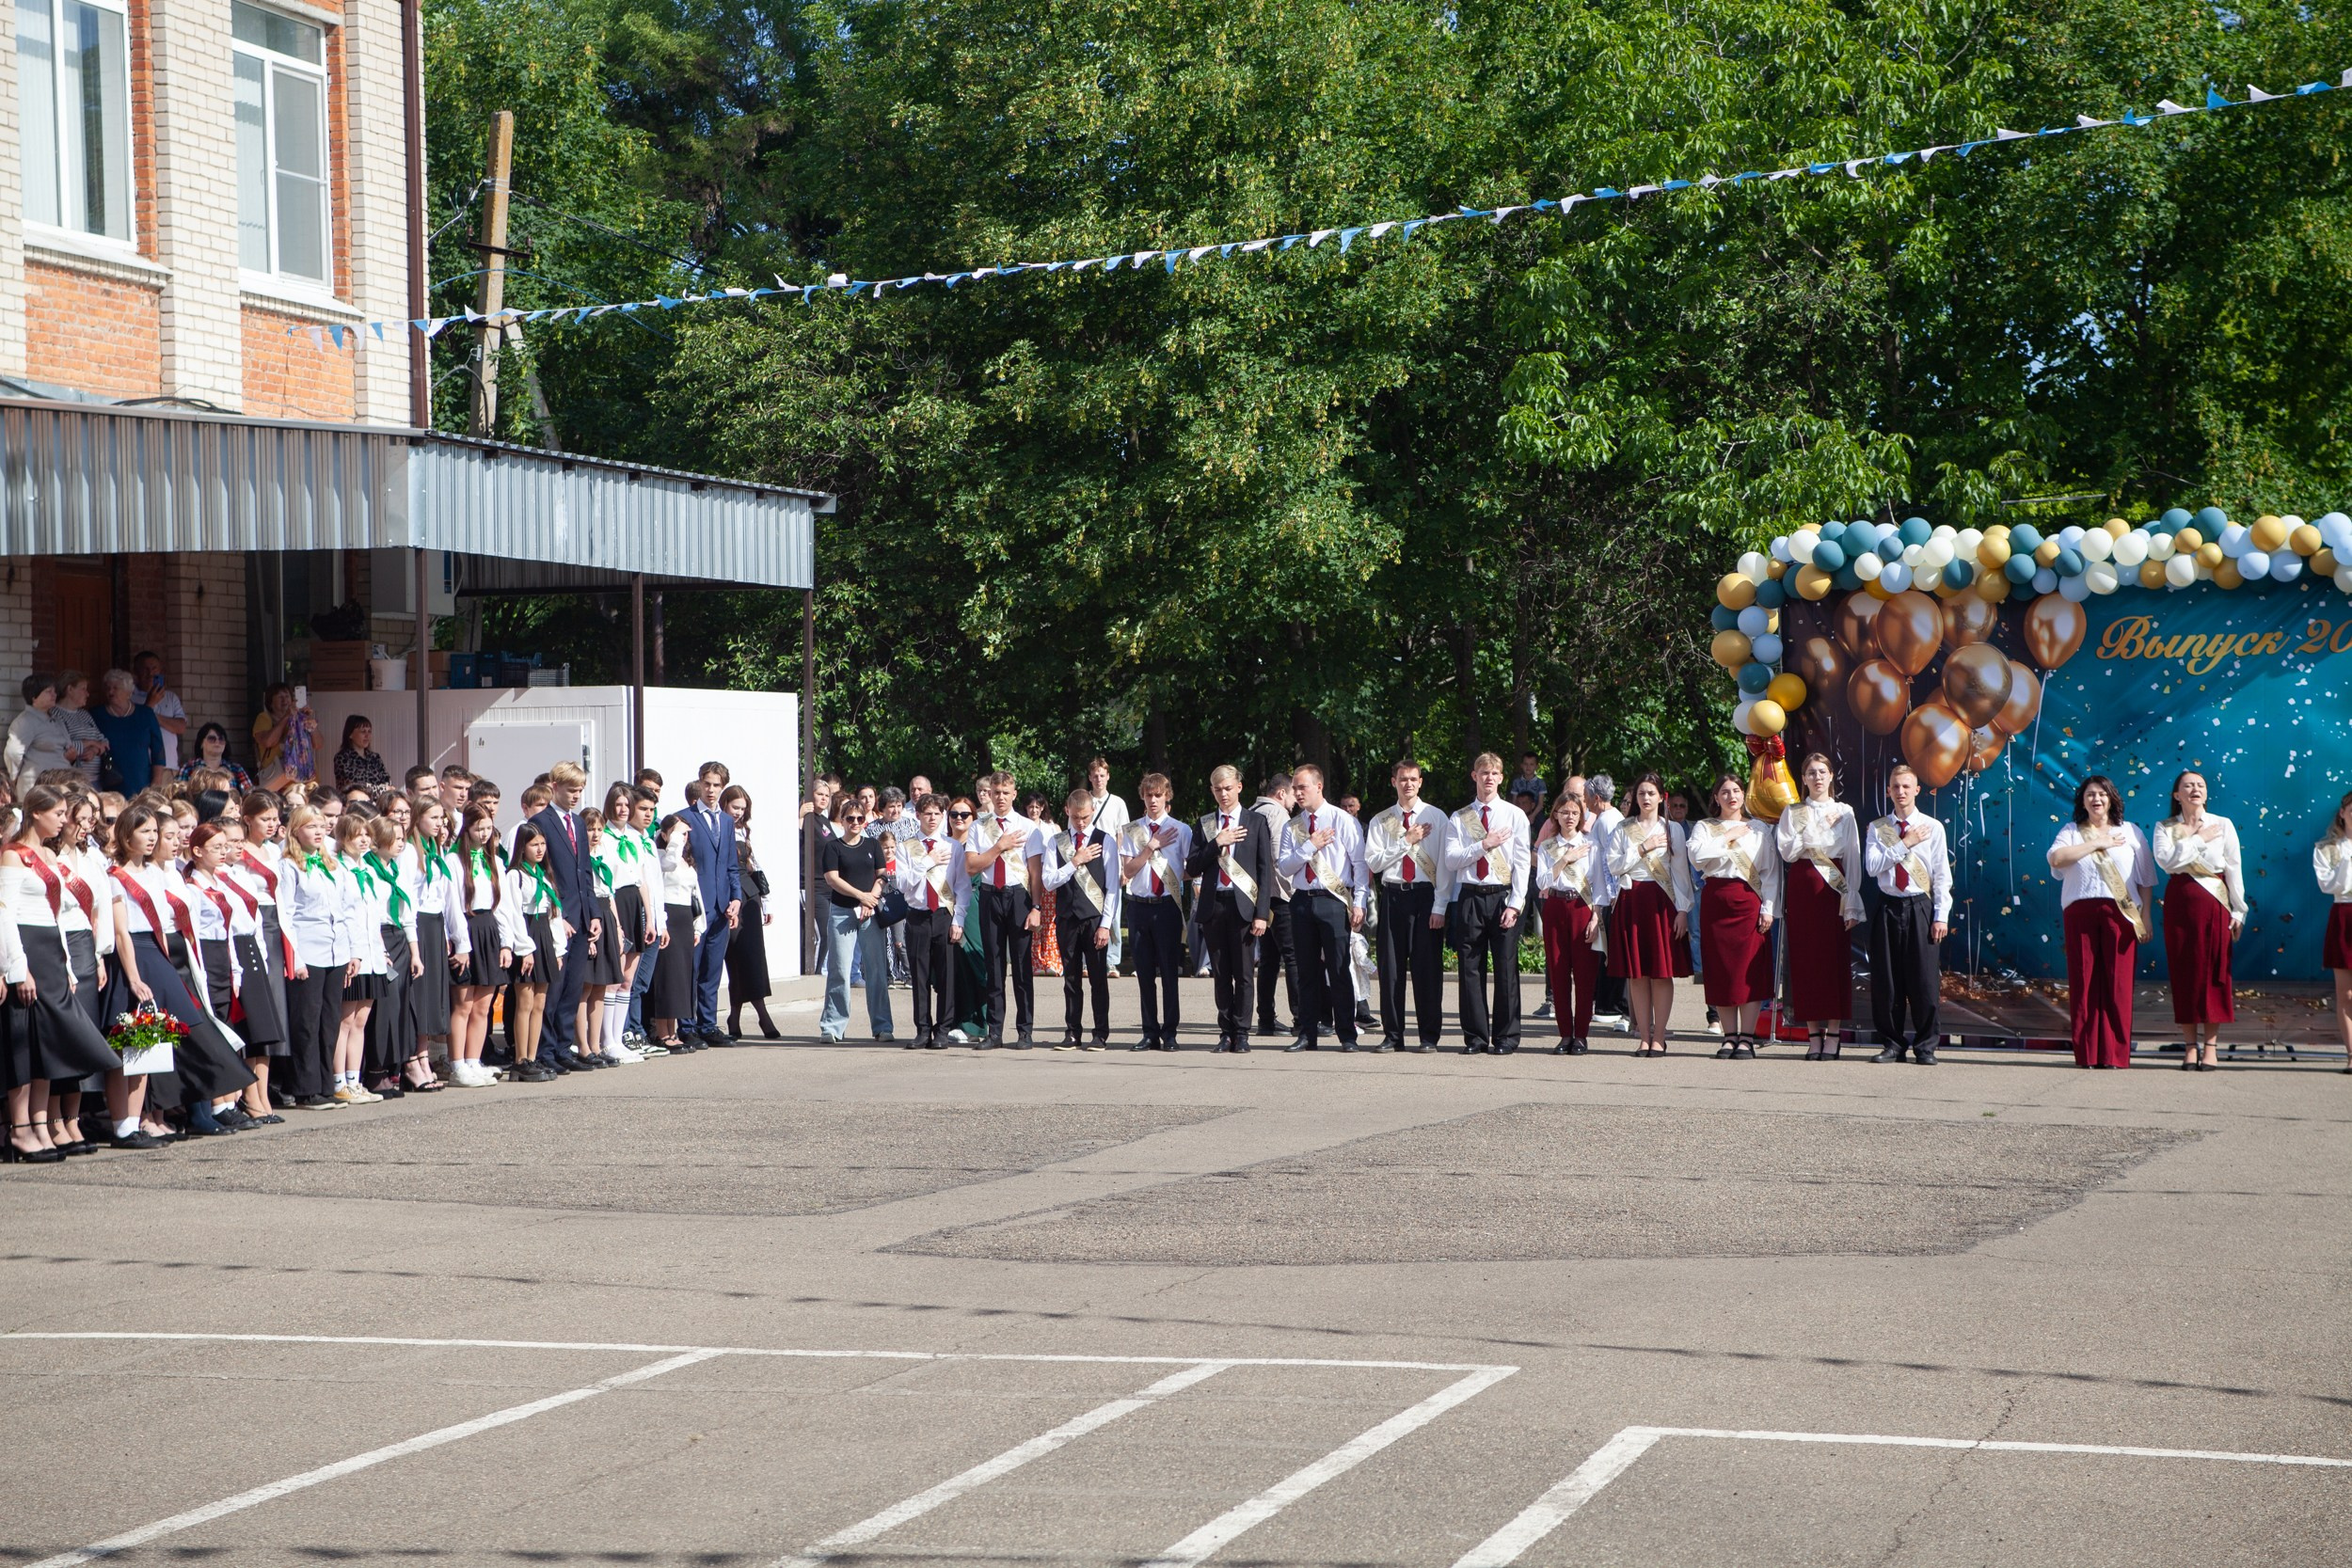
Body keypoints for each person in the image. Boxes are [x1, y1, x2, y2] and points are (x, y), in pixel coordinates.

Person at [2046, 773, 2153, 1069]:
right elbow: (2056, 859)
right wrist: (2098, 843)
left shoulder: (2131, 832)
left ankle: (2115, 1055)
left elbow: (2146, 878)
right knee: (2084, 983)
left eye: (2102, 794)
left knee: (2117, 984)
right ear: (2083, 800)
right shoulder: (2071, 831)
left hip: (2122, 913)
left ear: (2111, 799)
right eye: (2091, 794)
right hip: (2080, 912)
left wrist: (2146, 917)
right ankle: (2088, 1054)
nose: (2097, 799)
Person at [1685, 772, 1782, 1060]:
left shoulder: (1759, 829)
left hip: (1748, 902)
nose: (1731, 796)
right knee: (1722, 971)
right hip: (1716, 903)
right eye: (1725, 791)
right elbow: (1697, 857)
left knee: (1748, 972)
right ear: (1716, 797)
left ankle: (1748, 1038)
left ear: (1744, 795)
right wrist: (1727, 837)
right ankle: (1729, 1036)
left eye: (1736, 790)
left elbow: (1770, 872)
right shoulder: (1705, 827)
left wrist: (1768, 908)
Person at [2153, 770, 2245, 1071]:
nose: (2195, 789)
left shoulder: (2223, 824)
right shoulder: (2165, 827)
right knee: (2185, 972)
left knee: (2215, 972)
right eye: (2188, 786)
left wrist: (2238, 910)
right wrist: (2197, 838)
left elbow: (2233, 868)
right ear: (2176, 795)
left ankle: (2211, 1047)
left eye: (2201, 785)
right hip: (2181, 902)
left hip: (2216, 902)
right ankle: (2190, 1046)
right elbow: (2168, 862)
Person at [1773, 753, 1864, 1059]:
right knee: (1806, 961)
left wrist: (1851, 901)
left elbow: (1852, 856)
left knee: (1833, 960)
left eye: (1822, 772)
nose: (1817, 777)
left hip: (1834, 890)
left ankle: (1834, 1035)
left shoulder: (1844, 812)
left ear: (1831, 775)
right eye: (1811, 772)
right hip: (1803, 888)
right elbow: (1787, 851)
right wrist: (1816, 830)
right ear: (1804, 778)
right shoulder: (1794, 811)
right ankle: (1813, 1034)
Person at [1862, 765, 1951, 1065]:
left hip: (1920, 906)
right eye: (1895, 786)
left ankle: (1926, 1047)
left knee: (1924, 981)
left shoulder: (1933, 827)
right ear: (1888, 790)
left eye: (1906, 786)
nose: (1900, 792)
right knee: (1887, 980)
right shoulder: (1878, 828)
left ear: (1916, 790)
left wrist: (1941, 915)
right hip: (1888, 906)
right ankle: (1892, 1044)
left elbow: (1941, 875)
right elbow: (1873, 867)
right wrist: (1904, 843)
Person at [1445, 752, 1533, 1055]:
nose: (1489, 778)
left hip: (1503, 897)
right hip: (1470, 895)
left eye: (1494, 773)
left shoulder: (1514, 815)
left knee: (1506, 969)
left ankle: (1506, 1037)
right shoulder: (1459, 817)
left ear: (1501, 777)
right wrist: (1484, 844)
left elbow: (1522, 863)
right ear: (1474, 776)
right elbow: (1451, 859)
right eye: (1484, 773)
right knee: (1470, 969)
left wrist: (1517, 903)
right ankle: (1476, 1038)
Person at [1277, 763, 1366, 1053]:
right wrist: (1310, 846)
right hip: (1302, 900)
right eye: (1294, 788)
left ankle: (1347, 1034)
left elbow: (1360, 864)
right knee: (1306, 971)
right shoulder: (1293, 826)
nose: (1297, 793)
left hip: (1333, 900)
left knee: (1339, 969)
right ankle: (1307, 1033)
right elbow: (1285, 866)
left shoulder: (1343, 820)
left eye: (1302, 787)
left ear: (1318, 786)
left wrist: (1360, 902)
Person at [1601, 773, 1691, 1056]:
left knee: (1662, 973)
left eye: (1651, 793)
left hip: (1662, 902)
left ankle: (1660, 1036)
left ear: (1661, 796)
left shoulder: (1673, 829)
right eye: (1641, 793)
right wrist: (1643, 847)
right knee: (1637, 973)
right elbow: (1614, 865)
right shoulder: (1623, 828)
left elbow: (1681, 874)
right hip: (1632, 900)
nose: (1646, 798)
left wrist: (1683, 910)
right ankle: (1642, 1034)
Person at [1185, 766, 1273, 1053]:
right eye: (1217, 789)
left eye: (1227, 788)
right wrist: (1216, 844)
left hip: (1244, 908)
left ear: (1239, 787)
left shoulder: (1256, 821)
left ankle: (1243, 1032)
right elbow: (1192, 866)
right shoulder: (1206, 824)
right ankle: (1225, 1032)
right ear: (1212, 791)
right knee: (1221, 973)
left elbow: (1264, 870)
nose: (1223, 794)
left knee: (1245, 973)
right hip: (1214, 906)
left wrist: (1262, 913)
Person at [1364, 760, 1448, 1053]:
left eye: (1413, 779)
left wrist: (1440, 906)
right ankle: (1393, 1035)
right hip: (1394, 895)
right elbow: (1373, 862)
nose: (1408, 784)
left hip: (1425, 897)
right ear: (1393, 782)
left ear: (1420, 782)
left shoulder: (1436, 817)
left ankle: (1428, 1036)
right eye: (1402, 779)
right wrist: (1406, 841)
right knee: (1391, 970)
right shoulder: (1381, 820)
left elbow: (1445, 868)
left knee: (1427, 970)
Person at [274, 804, 354, 1108]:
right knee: (306, 1021)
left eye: (322, 826)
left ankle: (324, 1083)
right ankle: (304, 1087)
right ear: (295, 831)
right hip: (308, 951)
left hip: (335, 951)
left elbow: (346, 909)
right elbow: (287, 915)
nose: (319, 832)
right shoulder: (290, 866)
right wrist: (295, 956)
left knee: (329, 1020)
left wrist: (350, 952)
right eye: (311, 827)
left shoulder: (332, 864)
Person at [529, 762, 603, 1070]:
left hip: (582, 915)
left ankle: (563, 1048)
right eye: (571, 790)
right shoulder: (540, 822)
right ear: (555, 786)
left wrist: (594, 913)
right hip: (558, 916)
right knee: (554, 988)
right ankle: (544, 1052)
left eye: (580, 791)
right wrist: (556, 914)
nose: (576, 796)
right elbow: (540, 873)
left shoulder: (577, 824)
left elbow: (585, 871)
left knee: (573, 986)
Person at [967, 770, 1045, 1049]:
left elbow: (1035, 873)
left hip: (1019, 898)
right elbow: (972, 866)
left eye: (1005, 792)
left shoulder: (1028, 827)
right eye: (995, 792)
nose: (1000, 797)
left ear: (1014, 794)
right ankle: (995, 1032)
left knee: (1022, 967)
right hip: (990, 897)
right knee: (994, 966)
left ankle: (1025, 1031)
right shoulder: (979, 827)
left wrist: (1036, 907)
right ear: (990, 793)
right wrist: (1000, 846)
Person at [1117, 774, 1191, 1052]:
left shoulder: (1181, 830)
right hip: (1139, 906)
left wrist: (1171, 877)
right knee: (1145, 974)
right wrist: (1150, 847)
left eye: (1158, 795)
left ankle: (1170, 1032)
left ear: (1167, 796)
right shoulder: (1133, 830)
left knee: (1170, 973)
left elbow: (1189, 870)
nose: (1153, 800)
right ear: (1143, 797)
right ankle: (1150, 1031)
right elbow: (1128, 871)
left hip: (1167, 907)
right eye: (1148, 795)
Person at [1034, 788, 1112, 1050]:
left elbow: (1112, 887)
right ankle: (1072, 1032)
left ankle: (1100, 1033)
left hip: (1094, 919)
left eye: (1086, 817)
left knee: (1098, 979)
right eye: (1076, 817)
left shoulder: (1105, 840)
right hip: (1067, 918)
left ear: (1092, 813)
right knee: (1071, 979)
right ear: (1067, 811)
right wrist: (1075, 861)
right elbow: (1048, 880)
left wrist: (1106, 924)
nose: (1081, 822)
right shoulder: (1056, 842)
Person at [817, 793, 893, 1042]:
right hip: (842, 913)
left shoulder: (872, 845)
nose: (856, 822)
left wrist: (871, 897)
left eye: (860, 818)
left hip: (870, 912)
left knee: (876, 969)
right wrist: (862, 895)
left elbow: (883, 874)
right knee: (839, 970)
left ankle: (882, 1027)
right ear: (843, 819)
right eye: (850, 818)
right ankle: (832, 1027)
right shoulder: (833, 847)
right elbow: (832, 878)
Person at [897, 793, 969, 1051]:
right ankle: (922, 1029)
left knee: (946, 975)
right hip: (917, 915)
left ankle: (943, 1029)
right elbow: (903, 883)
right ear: (917, 815)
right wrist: (928, 861)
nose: (932, 818)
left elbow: (962, 886)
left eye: (937, 814)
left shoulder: (953, 847)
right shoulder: (906, 846)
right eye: (927, 813)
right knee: (919, 975)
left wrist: (958, 919)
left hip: (944, 915)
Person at [1535, 792, 1606, 1053]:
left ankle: (1582, 1035)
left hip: (1582, 908)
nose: (1569, 817)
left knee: (1585, 975)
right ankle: (1565, 1034)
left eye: (1575, 812)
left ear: (1581, 816)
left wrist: (1596, 917)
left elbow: (1600, 885)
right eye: (1564, 812)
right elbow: (1543, 882)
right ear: (1555, 814)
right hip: (1555, 906)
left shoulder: (1592, 846)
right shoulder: (1547, 847)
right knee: (1558, 972)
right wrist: (1565, 859)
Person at [448, 804, 513, 1086]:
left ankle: (474, 1061)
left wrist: (506, 943)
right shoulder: (454, 861)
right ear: (467, 829)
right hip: (466, 928)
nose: (484, 834)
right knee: (463, 1004)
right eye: (478, 829)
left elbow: (504, 906)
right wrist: (461, 943)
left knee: (483, 1006)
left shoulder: (495, 861)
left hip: (489, 930)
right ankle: (457, 1064)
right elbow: (452, 905)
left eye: (488, 828)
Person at [681, 763, 744, 1047]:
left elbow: (732, 865)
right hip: (695, 906)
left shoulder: (728, 822)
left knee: (712, 969)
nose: (711, 789)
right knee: (691, 968)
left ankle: (708, 1024)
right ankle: (686, 1025)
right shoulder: (685, 819)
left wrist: (736, 899)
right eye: (707, 783)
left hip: (721, 907)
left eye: (716, 785)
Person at [573, 809, 635, 1066]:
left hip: (606, 915)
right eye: (590, 829)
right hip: (589, 916)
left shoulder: (604, 853)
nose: (595, 834)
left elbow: (610, 894)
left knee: (601, 984)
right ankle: (583, 1045)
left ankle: (597, 1045)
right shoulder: (579, 856)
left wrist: (619, 929)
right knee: (585, 987)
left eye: (598, 829)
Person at [721, 784, 779, 1039]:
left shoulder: (743, 830)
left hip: (750, 895)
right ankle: (738, 1015)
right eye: (735, 807)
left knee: (754, 958)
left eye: (743, 809)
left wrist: (766, 902)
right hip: (727, 897)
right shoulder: (718, 828)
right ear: (725, 804)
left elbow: (755, 866)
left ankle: (758, 1014)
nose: (739, 813)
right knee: (735, 958)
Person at [501, 822, 560, 1078]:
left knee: (540, 1002)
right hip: (526, 934)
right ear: (522, 847)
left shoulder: (543, 875)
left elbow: (552, 913)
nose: (539, 849)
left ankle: (533, 1057)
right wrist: (524, 948)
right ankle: (520, 1059)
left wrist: (557, 949)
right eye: (534, 844)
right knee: (524, 1001)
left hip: (543, 934)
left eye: (542, 844)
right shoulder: (515, 875)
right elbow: (512, 913)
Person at [648, 813, 706, 1055]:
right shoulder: (662, 855)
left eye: (685, 834)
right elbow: (667, 865)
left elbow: (696, 893)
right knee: (667, 976)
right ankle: (662, 1033)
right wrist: (673, 840)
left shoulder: (686, 860)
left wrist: (698, 925)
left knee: (681, 977)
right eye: (679, 832)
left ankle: (673, 1031)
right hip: (668, 915)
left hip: (684, 918)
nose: (683, 838)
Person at [1251, 773, 1299, 1039]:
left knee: (1268, 960)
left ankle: (1266, 1019)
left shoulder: (1251, 811)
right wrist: (1294, 890)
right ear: (1281, 793)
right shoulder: (1278, 814)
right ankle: (1301, 1017)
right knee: (1292, 957)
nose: (1295, 801)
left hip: (1258, 898)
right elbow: (1280, 858)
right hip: (1279, 896)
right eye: (1293, 795)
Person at [1585, 774, 1630, 1031]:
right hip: (1610, 894)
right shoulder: (1609, 818)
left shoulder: (1606, 820)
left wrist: (1608, 898)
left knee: (1611, 951)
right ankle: (1610, 1005)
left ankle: (1615, 1006)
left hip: (1612, 894)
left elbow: (1608, 862)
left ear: (1597, 798)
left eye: (1587, 796)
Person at [2315, 792, 2352, 1076]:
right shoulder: (2327, 848)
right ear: (2342, 813)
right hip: (2344, 914)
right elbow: (2328, 886)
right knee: (2347, 993)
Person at [7, 675, 76, 793]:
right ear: (34, 697)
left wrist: (70, 757)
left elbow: (66, 747)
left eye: (54, 691)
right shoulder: (25, 721)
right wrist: (13, 779)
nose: (54, 695)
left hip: (61, 784)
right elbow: (13, 753)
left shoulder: (56, 720)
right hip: (38, 787)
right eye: (49, 692)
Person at [132, 652, 189, 772]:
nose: (150, 674)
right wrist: (150, 705)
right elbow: (134, 728)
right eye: (145, 669)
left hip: (169, 766)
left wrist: (153, 716)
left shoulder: (170, 697)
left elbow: (181, 727)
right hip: (141, 767)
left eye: (154, 669)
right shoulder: (129, 697)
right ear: (136, 672)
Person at [252, 684, 317, 790]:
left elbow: (318, 744)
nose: (285, 700)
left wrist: (309, 723)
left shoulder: (300, 718)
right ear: (270, 702)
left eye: (287, 696)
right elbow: (268, 742)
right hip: (278, 782)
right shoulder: (264, 718)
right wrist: (287, 716)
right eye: (280, 697)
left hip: (305, 782)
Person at [176, 723, 255, 793]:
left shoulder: (236, 769)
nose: (217, 742)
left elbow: (250, 797)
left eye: (221, 739)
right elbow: (178, 797)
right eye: (211, 739)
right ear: (201, 743)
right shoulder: (188, 769)